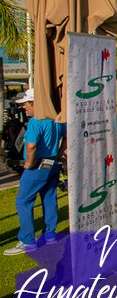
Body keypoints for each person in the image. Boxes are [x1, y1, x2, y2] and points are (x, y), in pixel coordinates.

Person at [4, 89, 66, 256]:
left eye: (26, 104)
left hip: (37, 165)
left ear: (35, 104)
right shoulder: (56, 119)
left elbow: (31, 145)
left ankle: (27, 241)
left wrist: (29, 163)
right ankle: (50, 235)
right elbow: (67, 137)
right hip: (52, 163)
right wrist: (59, 153)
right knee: (49, 198)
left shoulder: (35, 121)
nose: (24, 107)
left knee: (23, 201)